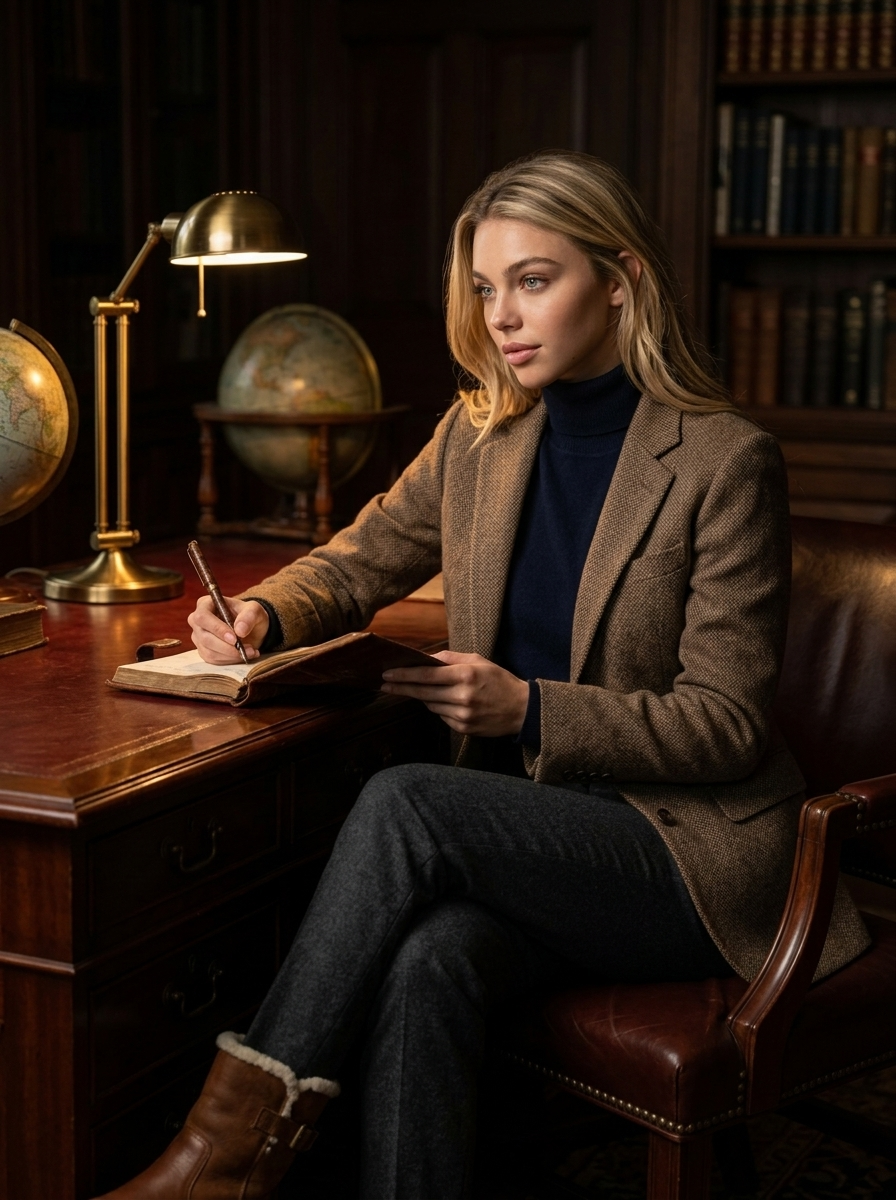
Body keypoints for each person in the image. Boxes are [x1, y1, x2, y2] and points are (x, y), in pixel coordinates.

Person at [96, 151, 868, 1200]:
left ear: (620, 279)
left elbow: (724, 725)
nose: (502, 315)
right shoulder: (480, 431)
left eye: (533, 280)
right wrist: (266, 612)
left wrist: (531, 708)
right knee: (431, 963)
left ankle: (222, 1157)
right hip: (532, 832)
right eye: (483, 288)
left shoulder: (722, 462)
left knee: (405, 802)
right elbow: (362, 557)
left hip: (683, 854)